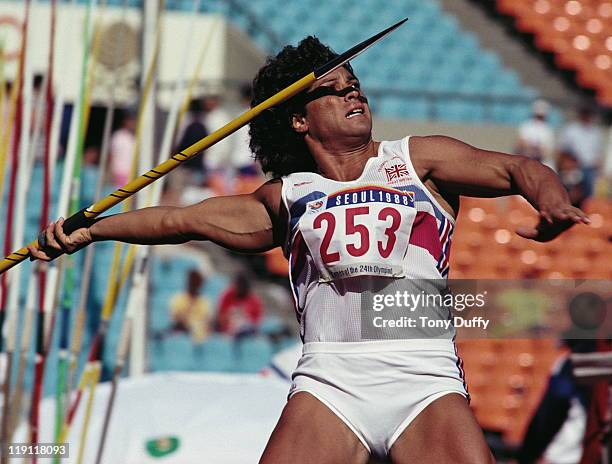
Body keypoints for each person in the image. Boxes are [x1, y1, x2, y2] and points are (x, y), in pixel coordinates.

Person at [29, 36, 590, 463]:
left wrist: (552, 200)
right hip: (332, 379)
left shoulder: (419, 159)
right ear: (299, 118)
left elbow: (517, 167)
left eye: (355, 84)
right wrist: (91, 230)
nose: (354, 92)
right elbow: (181, 219)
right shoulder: (289, 196)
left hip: (423, 377)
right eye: (335, 88)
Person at [558, 105, 604, 199]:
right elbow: (562, 150)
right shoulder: (571, 130)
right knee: (570, 192)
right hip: (573, 167)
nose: (587, 117)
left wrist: (599, 166)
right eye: (586, 114)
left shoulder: (595, 132)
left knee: (588, 194)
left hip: (589, 167)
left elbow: (598, 152)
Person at [155, 269, 211, 344]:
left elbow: (205, 323)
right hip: (179, 334)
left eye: (197, 282)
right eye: (192, 281)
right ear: (188, 281)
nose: (194, 284)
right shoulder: (177, 299)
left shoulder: (205, 302)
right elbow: (175, 319)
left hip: (199, 336)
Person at [515, 99, 555, 169]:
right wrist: (531, 150)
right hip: (526, 160)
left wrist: (539, 152)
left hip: (543, 162)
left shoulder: (548, 129)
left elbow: (549, 151)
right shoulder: (526, 125)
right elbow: (520, 143)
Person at [109, 109, 137, 187]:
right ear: (125, 121)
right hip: (120, 171)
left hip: (133, 172)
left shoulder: (134, 136)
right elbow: (112, 154)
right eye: (131, 121)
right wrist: (112, 173)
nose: (133, 123)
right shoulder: (119, 135)